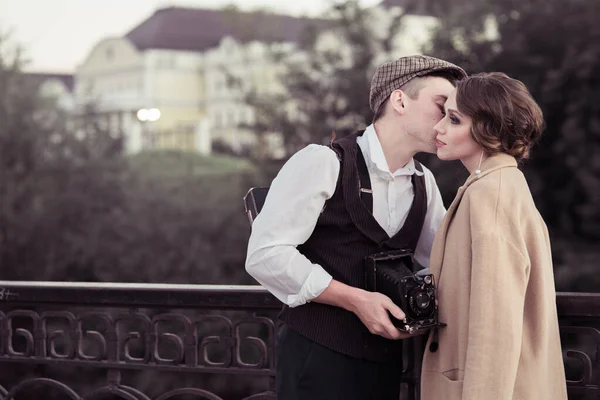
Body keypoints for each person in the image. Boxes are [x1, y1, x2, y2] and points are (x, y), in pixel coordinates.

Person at [245, 55, 466, 400]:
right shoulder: (322, 162)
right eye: (442, 107)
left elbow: (439, 265)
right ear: (400, 100)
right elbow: (265, 255)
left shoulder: (425, 181)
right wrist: (355, 300)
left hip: (387, 363)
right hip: (317, 359)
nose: (447, 122)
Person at [421, 72, 567, 400]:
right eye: (444, 114)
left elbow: (495, 324)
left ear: (488, 130)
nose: (439, 128)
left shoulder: (490, 195)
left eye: (454, 119)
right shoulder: (500, 185)